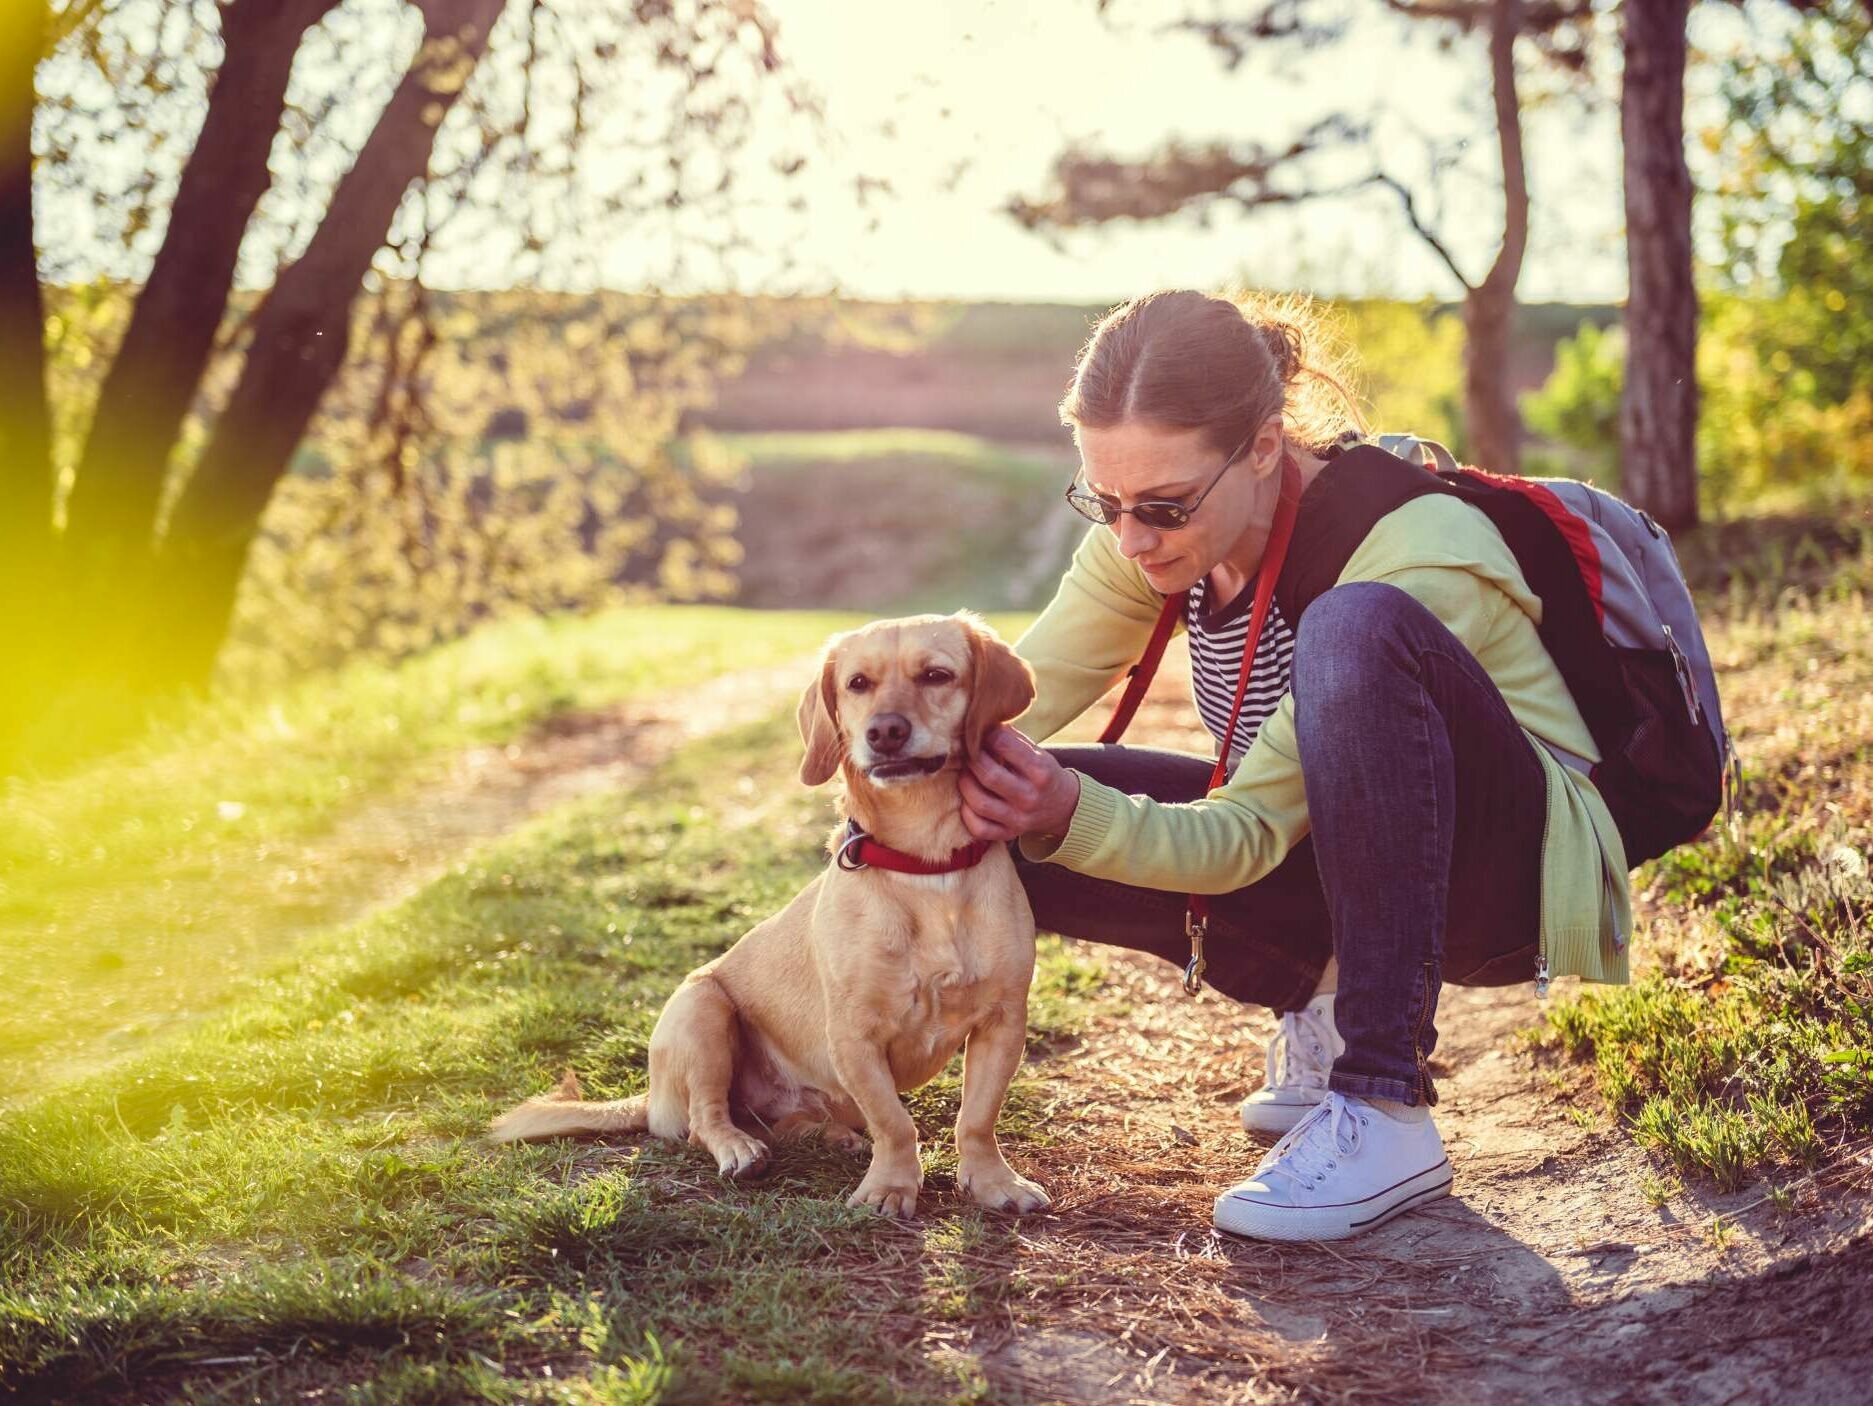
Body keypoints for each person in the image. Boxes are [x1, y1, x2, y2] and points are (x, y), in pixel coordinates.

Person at [957, 287, 1631, 1243]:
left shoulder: (1411, 553)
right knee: (980, 797)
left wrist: (1072, 810)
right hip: (1336, 849)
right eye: (1102, 502)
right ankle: (1319, 993)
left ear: (1264, 448)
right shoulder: (1151, 540)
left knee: (1348, 630)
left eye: (1161, 505)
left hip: (1504, 883)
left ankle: (1385, 1102)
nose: (1131, 537)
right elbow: (999, 705)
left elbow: (1240, 837)